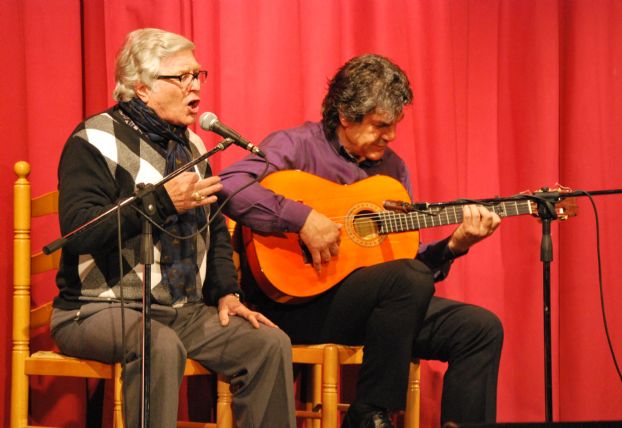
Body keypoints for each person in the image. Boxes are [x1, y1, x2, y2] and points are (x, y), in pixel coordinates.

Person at [219, 53, 504, 427]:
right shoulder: (295, 146)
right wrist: (302, 218)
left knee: (480, 328)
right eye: (380, 125)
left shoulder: (393, 169)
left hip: (381, 313)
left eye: (395, 125)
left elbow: (409, 262)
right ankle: (370, 414)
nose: (391, 136)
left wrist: (455, 245)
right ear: (344, 116)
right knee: (406, 280)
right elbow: (230, 186)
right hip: (295, 306)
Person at [50, 28, 296, 428]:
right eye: (181, 77)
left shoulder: (195, 147)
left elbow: (214, 227)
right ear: (141, 89)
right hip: (96, 308)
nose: (195, 86)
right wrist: (161, 202)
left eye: (198, 75)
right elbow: (79, 230)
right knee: (157, 345)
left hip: (182, 311)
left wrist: (226, 292)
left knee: (268, 344)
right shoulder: (94, 140)